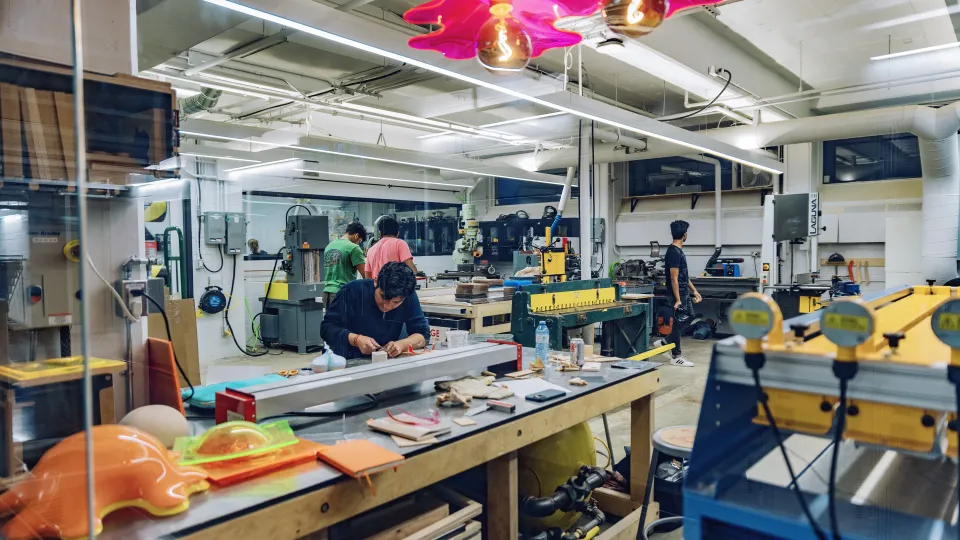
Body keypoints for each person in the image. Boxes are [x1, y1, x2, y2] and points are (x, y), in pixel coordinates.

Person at [321, 262, 430, 359]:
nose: (387, 306)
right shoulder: (351, 292)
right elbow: (327, 329)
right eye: (383, 297)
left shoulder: (407, 295)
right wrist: (356, 339)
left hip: (381, 362)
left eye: (396, 302)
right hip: (343, 361)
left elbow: (423, 334)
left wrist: (401, 345)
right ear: (376, 281)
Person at [653, 220, 701, 367]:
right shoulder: (673, 252)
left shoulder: (678, 251)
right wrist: (678, 300)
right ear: (685, 235)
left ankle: (664, 342)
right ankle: (676, 356)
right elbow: (674, 278)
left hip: (684, 292)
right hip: (677, 294)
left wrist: (694, 290)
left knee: (690, 317)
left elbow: (683, 277)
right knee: (680, 321)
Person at [322, 222, 368, 308]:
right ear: (356, 236)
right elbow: (366, 275)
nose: (358, 243)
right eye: (360, 241)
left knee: (331, 321)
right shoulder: (353, 248)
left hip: (326, 292)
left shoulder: (329, 246)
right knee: (346, 321)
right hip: (343, 293)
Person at [365, 216, 417, 281]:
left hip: (377, 289)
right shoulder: (400, 244)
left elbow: (367, 277)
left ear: (380, 233)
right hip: (395, 288)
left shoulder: (370, 250)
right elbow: (411, 269)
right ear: (398, 233)